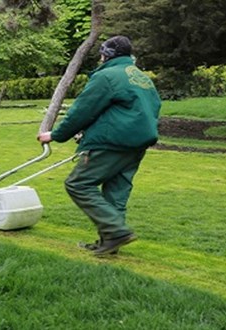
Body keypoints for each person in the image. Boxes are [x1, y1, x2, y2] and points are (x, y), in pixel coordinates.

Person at [37, 36, 161, 256]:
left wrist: (55, 135)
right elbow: (144, 109)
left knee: (78, 184)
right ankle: (110, 243)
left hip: (111, 142)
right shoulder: (141, 78)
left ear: (107, 55)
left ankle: (116, 231)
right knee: (116, 193)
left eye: (102, 54)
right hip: (137, 144)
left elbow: (82, 110)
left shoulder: (106, 76)